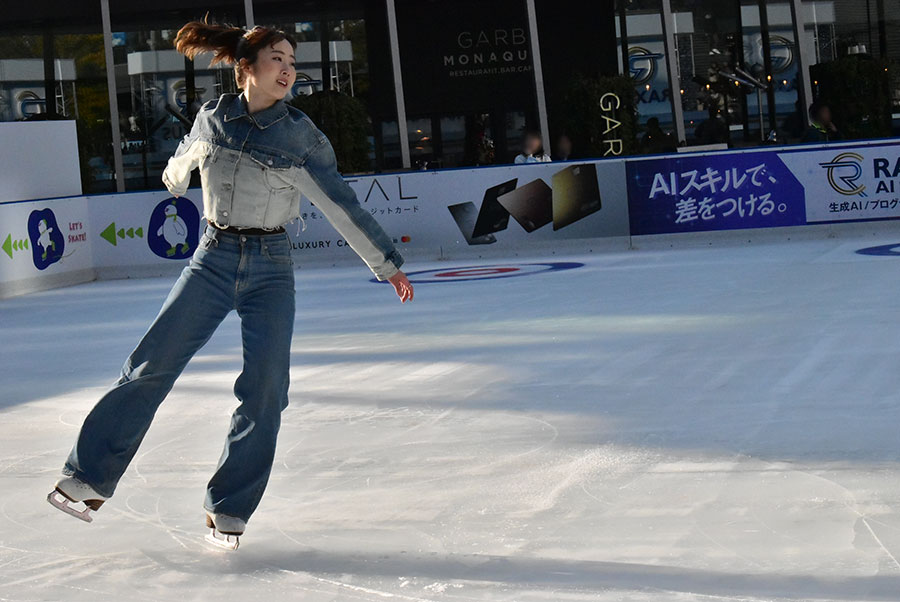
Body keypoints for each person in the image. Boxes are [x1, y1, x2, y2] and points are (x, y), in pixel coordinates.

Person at [46, 17, 414, 549]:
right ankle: (88, 478)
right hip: (212, 259)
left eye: (292, 61)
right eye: (278, 59)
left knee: (266, 390)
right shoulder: (214, 118)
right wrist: (175, 179)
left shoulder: (300, 136)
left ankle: (229, 508)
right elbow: (185, 158)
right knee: (150, 365)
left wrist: (387, 264)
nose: (289, 69)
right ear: (246, 68)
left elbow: (342, 205)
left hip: (272, 265)